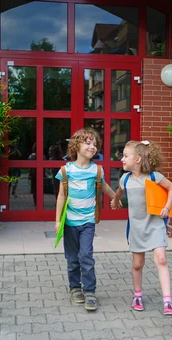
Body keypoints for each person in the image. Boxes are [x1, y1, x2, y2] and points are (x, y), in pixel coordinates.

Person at [111, 140, 172, 315]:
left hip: (155, 225)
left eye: (125, 156)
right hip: (136, 228)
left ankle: (167, 301)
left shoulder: (154, 177)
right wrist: (115, 200)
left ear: (138, 159)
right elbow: (119, 191)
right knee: (138, 264)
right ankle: (138, 294)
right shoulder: (125, 179)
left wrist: (166, 207)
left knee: (161, 259)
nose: (122, 160)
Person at [55, 128, 116, 311]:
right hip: (70, 222)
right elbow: (60, 196)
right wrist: (57, 221)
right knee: (72, 258)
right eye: (88, 143)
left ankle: (89, 291)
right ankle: (75, 288)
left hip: (88, 221)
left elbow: (104, 186)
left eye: (95, 144)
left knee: (86, 255)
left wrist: (115, 198)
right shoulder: (66, 170)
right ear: (76, 146)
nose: (92, 147)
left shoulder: (96, 170)